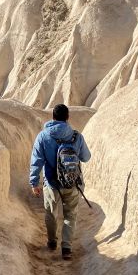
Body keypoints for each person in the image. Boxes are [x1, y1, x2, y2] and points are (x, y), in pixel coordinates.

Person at [29, 104, 91, 260]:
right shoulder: (77, 136)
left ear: (53, 118)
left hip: (51, 183)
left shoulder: (43, 136)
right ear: (67, 117)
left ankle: (51, 242)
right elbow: (86, 157)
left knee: (51, 213)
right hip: (71, 183)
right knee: (70, 215)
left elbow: (36, 162)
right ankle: (66, 248)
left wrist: (34, 182)